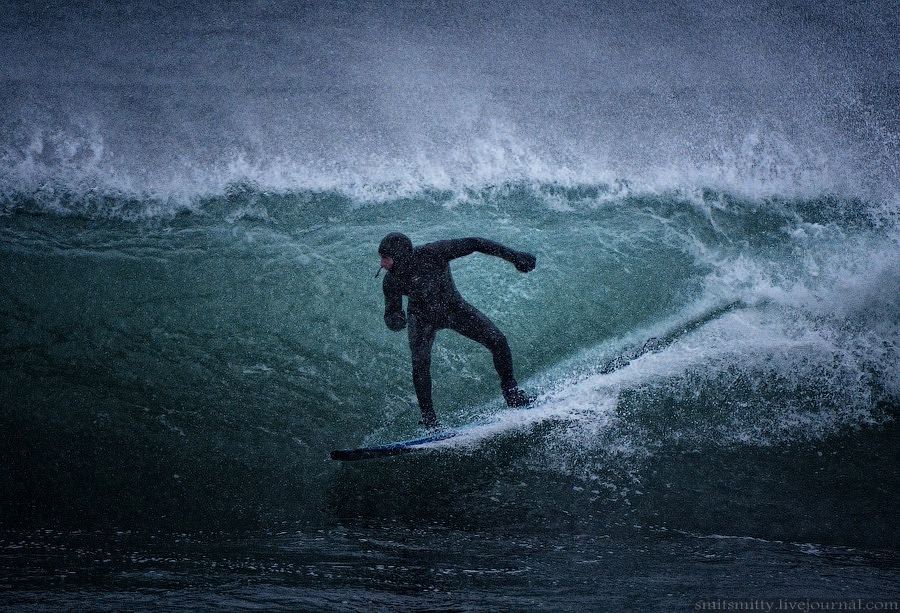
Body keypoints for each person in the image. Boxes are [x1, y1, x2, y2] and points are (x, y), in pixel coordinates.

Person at [377, 232, 536, 428]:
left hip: (454, 309)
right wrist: (395, 321)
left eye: (386, 258)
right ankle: (430, 421)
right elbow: (391, 313)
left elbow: (476, 242)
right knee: (420, 365)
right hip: (421, 318)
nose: (382, 264)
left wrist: (515, 257)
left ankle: (512, 394)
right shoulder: (391, 281)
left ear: (400, 256)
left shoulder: (433, 253)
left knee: (498, 340)